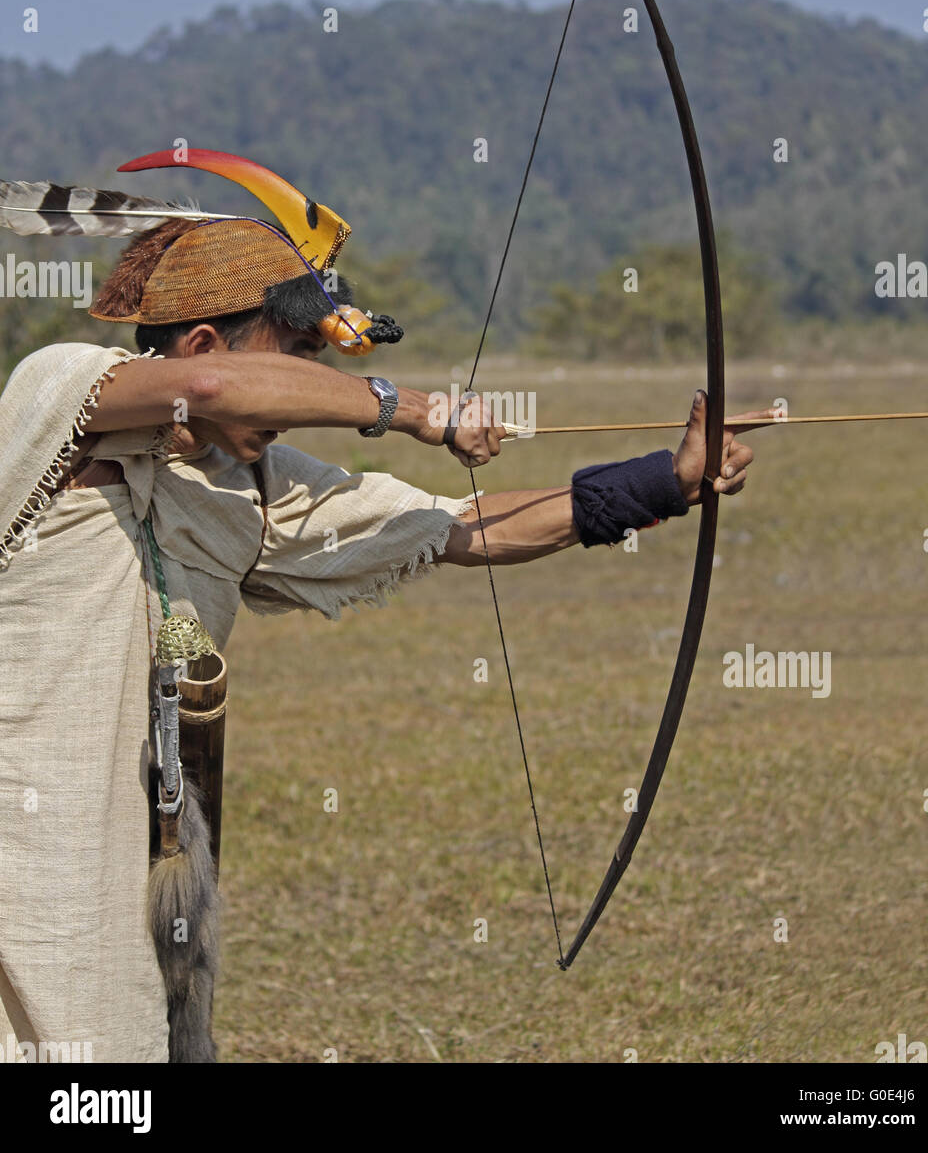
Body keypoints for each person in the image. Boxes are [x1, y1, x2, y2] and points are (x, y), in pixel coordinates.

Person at [0, 152, 757, 1063]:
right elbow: (207, 392)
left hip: (122, 849)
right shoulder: (61, 388)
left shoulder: (251, 486)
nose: (297, 400)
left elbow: (462, 528)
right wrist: (410, 410)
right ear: (202, 341)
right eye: (299, 359)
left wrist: (663, 483)